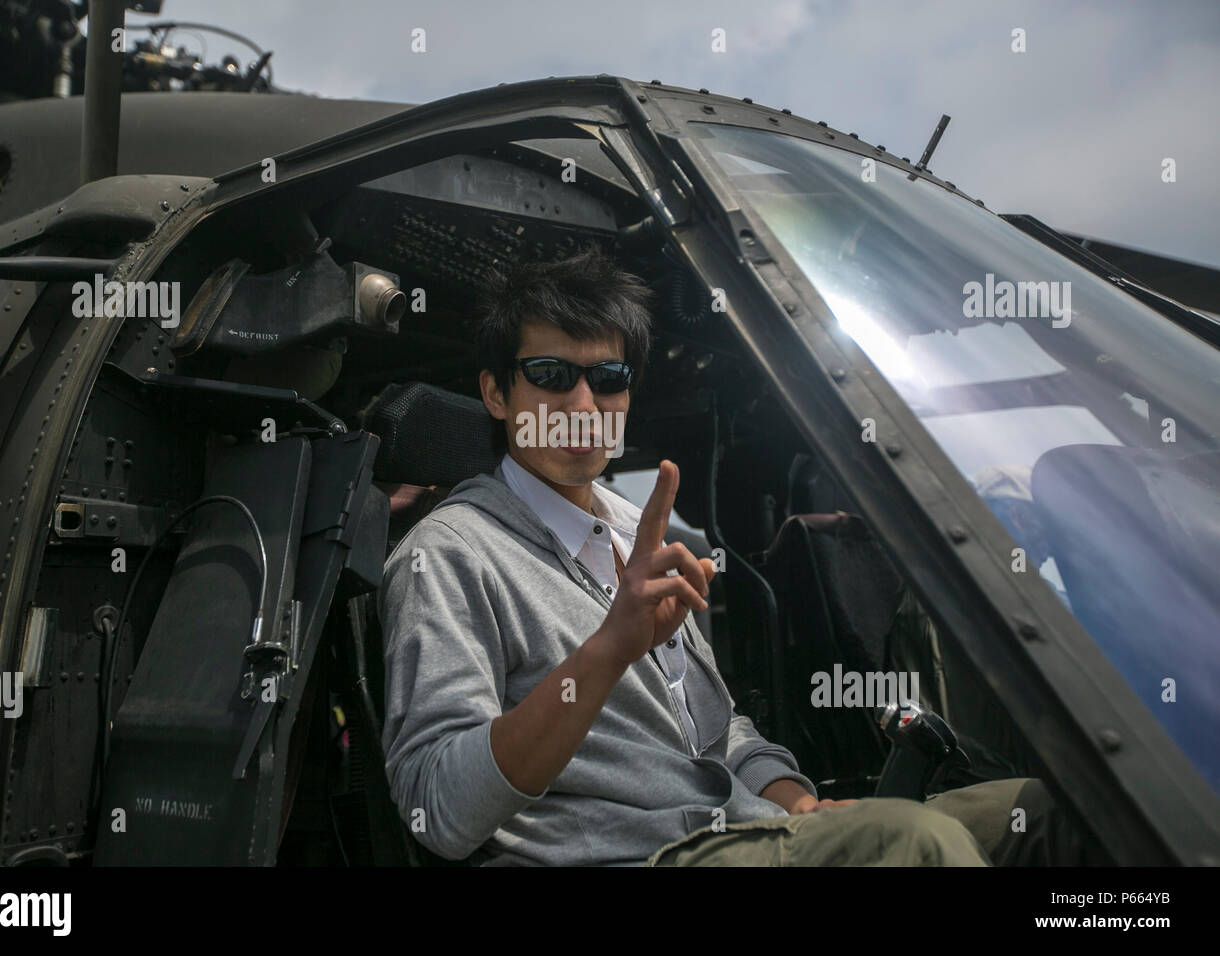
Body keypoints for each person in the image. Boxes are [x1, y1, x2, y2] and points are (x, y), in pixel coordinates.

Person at [378, 245, 1081, 866]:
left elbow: (717, 735)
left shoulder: (641, 536)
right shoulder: (446, 555)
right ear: (497, 394)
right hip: (629, 856)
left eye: (610, 378)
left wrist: (796, 805)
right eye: (552, 374)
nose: (583, 404)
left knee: (1053, 816)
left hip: (743, 832)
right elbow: (439, 811)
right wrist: (605, 653)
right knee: (915, 846)